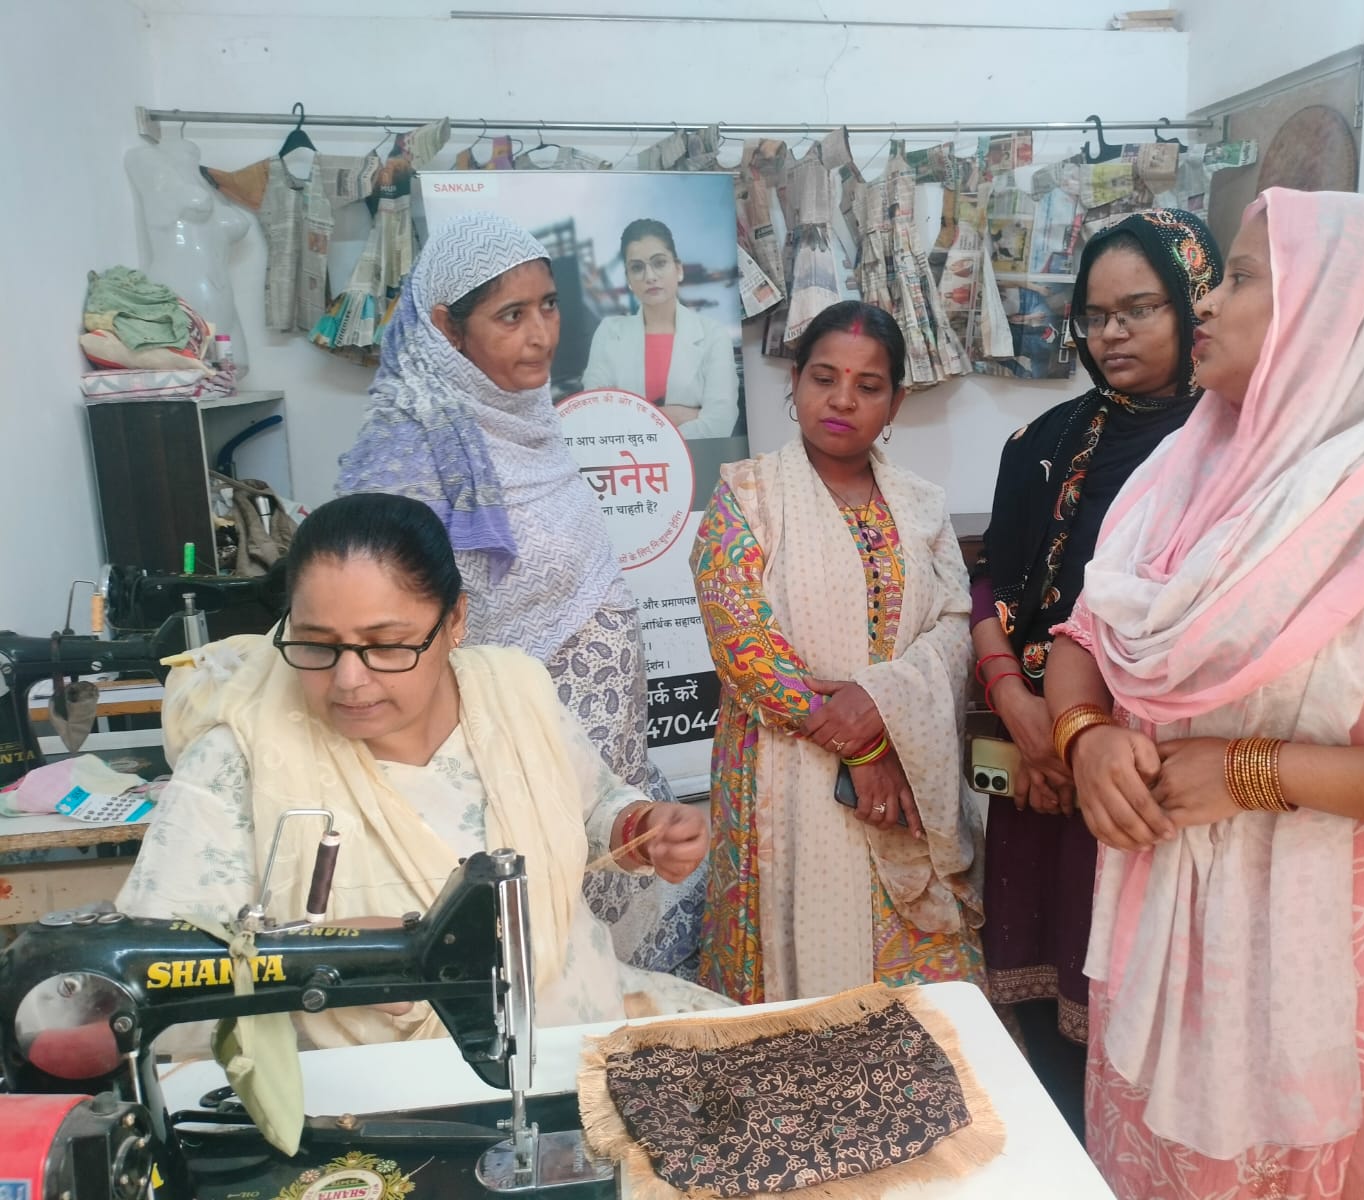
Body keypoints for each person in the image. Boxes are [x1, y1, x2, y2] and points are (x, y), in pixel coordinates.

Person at [1044, 189, 1364, 1199]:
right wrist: (1084, 736)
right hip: (1170, 938)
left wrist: (1254, 772)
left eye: (1241, 278)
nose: (1206, 302)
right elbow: (1084, 637)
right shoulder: (1185, 469)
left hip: (1340, 960)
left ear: (1335, 309)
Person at [117, 493, 728, 1046]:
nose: (348, 680)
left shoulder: (514, 694)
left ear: (455, 621)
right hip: (370, 1092)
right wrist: (311, 958)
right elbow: (153, 967)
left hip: (579, 1020)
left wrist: (637, 827)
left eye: (387, 645)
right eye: (316, 645)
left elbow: (592, 805)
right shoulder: (240, 759)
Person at [334, 210, 702, 980]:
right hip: (507, 771)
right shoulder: (408, 445)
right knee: (539, 979)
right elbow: (391, 626)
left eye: (548, 306)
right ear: (447, 327)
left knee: (618, 997)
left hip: (603, 771)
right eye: (511, 315)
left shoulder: (523, 415)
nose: (541, 334)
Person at [970, 210, 1221, 1097]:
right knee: (1040, 997)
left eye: (1139, 310)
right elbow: (992, 585)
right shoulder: (1039, 444)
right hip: (1036, 754)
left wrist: (1083, 737)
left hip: (1148, 767)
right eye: (1094, 315)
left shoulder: (1231, 446)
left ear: (1196, 306)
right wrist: (1024, 713)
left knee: (1141, 999)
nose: (1111, 334)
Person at [691, 299, 984, 1005]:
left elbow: (952, 621)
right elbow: (745, 646)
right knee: (794, 994)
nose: (843, 400)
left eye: (869, 385)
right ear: (794, 384)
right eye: (824, 378)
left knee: (922, 1009)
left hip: (906, 772)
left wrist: (879, 703)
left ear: (896, 401)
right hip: (785, 772)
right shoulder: (748, 497)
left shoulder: (920, 504)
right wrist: (861, 748)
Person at [582, 218, 740, 438]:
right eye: (637, 268)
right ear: (628, 279)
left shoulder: (713, 335)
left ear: (679, 270)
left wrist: (635, 424)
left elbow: (720, 423)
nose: (650, 277)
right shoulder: (609, 332)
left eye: (659, 263)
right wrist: (683, 416)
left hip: (701, 462)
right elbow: (595, 416)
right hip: (630, 467)